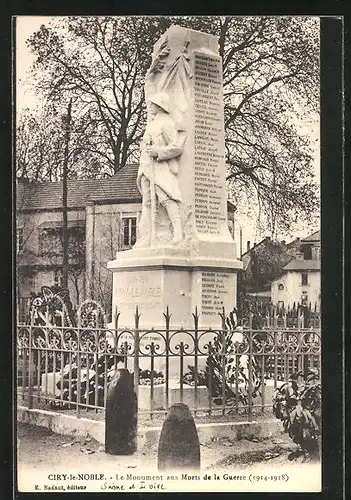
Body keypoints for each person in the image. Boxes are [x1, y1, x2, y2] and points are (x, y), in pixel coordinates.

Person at [136, 92, 185, 247]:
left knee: (166, 198)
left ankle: (178, 233)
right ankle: (150, 235)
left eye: (152, 104)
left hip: (160, 167)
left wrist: (158, 152)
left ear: (159, 106)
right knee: (148, 202)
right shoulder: (152, 123)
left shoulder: (166, 122)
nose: (149, 107)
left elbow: (176, 147)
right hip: (146, 168)